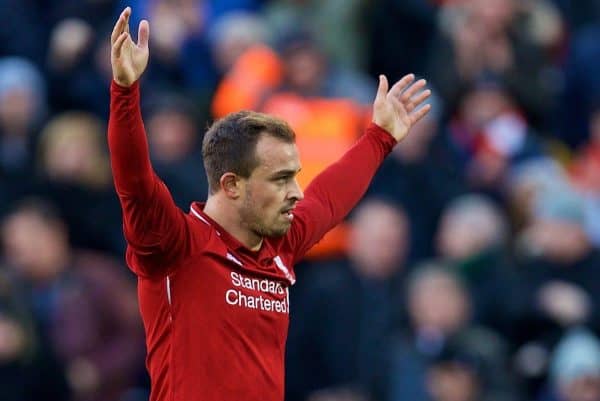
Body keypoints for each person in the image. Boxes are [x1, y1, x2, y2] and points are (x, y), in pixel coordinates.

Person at [108, 7, 431, 401]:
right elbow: (135, 182)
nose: (296, 191)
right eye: (280, 179)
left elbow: (328, 196)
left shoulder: (278, 247)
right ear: (231, 185)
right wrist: (125, 93)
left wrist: (380, 137)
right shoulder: (175, 246)